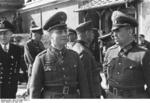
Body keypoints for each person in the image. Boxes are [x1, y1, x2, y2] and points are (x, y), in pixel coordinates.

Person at [29, 11, 90, 98]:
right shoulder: (41, 59)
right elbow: (35, 90)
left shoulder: (75, 56)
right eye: (59, 32)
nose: (64, 34)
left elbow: (84, 86)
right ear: (51, 36)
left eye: (65, 31)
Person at [104, 10, 150, 98]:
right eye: (113, 31)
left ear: (129, 31)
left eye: (117, 30)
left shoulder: (143, 54)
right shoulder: (110, 52)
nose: (114, 35)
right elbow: (107, 76)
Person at [71, 21, 102, 98]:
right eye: (92, 33)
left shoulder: (76, 48)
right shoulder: (84, 52)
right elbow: (86, 81)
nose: (93, 35)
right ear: (87, 33)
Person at [0, 20, 22, 98]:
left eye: (6, 33)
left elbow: (19, 66)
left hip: (11, 88)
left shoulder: (17, 49)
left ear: (11, 34)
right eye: (1, 33)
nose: (3, 36)